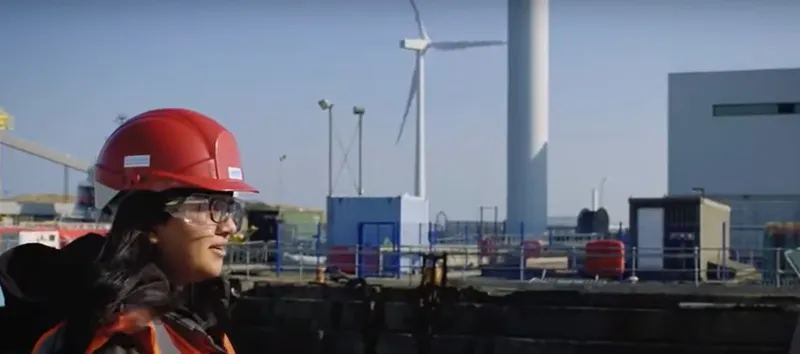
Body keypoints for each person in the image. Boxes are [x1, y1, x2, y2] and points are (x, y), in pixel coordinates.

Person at [0, 108, 257, 353]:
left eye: (229, 208)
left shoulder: (201, 318)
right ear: (149, 222)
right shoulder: (124, 336)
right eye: (212, 208)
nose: (229, 226)